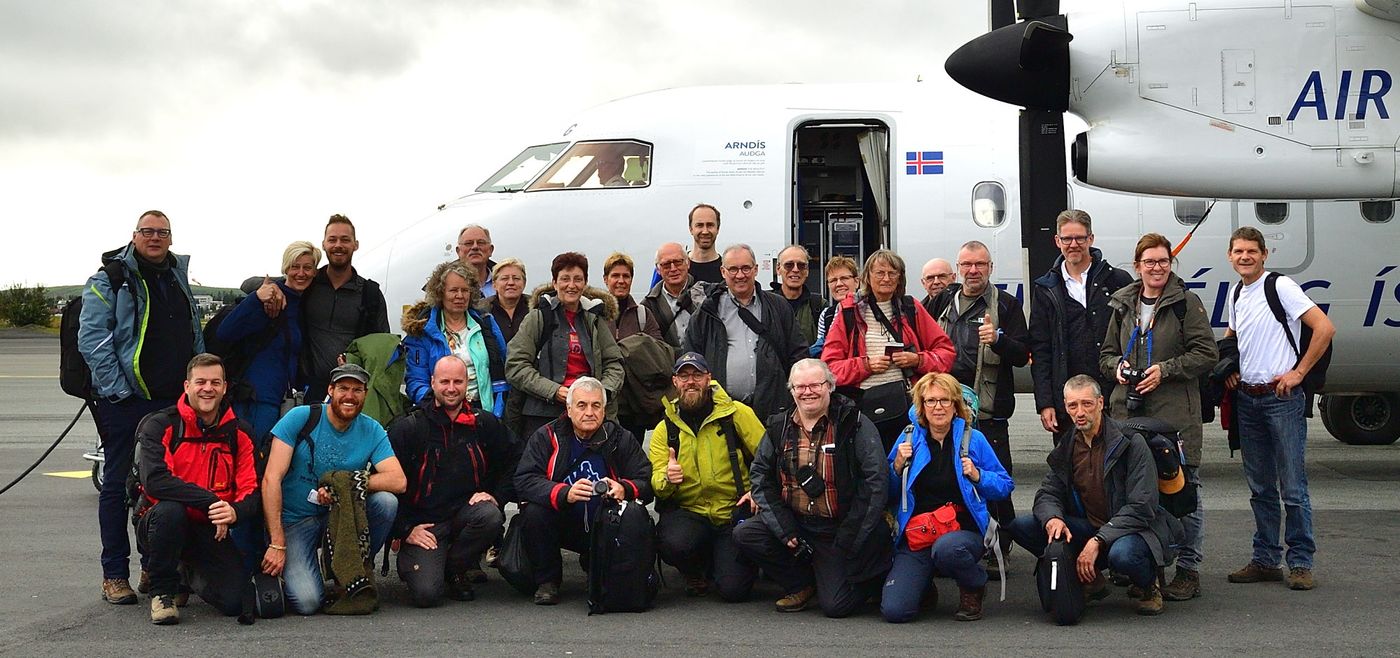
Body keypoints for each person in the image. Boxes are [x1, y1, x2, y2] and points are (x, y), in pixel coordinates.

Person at [78, 209, 204, 604]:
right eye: (147, 231)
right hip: (126, 402)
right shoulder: (110, 280)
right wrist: (119, 392)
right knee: (117, 487)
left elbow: (193, 332)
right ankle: (114, 574)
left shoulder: (176, 276)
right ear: (134, 236)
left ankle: (156, 568)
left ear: (170, 238)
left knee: (162, 487)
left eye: (162, 232)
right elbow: (93, 340)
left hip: (173, 402)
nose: (154, 238)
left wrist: (194, 388)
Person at [1099, 233, 1218, 600]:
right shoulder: (1123, 305)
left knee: (1182, 494)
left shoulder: (1186, 304)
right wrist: (1116, 368)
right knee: (1132, 494)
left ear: (1171, 264)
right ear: (1137, 266)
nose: (1157, 268)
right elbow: (1105, 354)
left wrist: (1165, 370)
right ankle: (1146, 569)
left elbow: (1207, 354)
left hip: (1173, 417)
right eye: (1149, 262)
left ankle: (1188, 569)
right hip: (1128, 415)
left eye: (1163, 261)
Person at [1006, 375, 1183, 616]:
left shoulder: (1131, 442)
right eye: (1072, 406)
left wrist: (1098, 541)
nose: (1080, 412)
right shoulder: (1069, 444)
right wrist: (1053, 519)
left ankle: (1147, 585)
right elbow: (1048, 492)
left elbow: (1143, 507)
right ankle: (1093, 580)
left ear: (1101, 403)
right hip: (1090, 525)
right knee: (1023, 526)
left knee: (1124, 555)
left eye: (1087, 404)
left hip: (1135, 530)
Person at [1222, 226, 1335, 591]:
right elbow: (1233, 336)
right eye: (1238, 251)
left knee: (1292, 487)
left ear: (1265, 254)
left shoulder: (1280, 286)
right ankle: (1266, 559)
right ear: (1230, 256)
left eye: (1251, 251)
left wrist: (1299, 372)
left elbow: (1324, 327)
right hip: (1248, 399)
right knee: (1260, 487)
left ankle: (1300, 562)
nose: (1245, 257)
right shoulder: (1237, 292)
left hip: (1281, 399)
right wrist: (1230, 368)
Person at [734, 359, 891, 617]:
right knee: (746, 533)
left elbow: (876, 482)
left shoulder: (855, 424)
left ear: (830, 386)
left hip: (838, 529)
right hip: (796, 524)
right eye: (800, 387)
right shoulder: (778, 426)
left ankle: (867, 581)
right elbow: (760, 476)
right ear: (792, 391)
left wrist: (852, 535)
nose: (808, 392)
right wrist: (783, 527)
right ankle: (801, 584)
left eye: (815, 385)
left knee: (836, 607)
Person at [259, 363, 407, 615]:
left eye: (357, 390)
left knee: (386, 502)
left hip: (340, 517)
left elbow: (398, 481)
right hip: (296, 520)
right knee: (307, 602)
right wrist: (277, 542)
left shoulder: (371, 428)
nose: (349, 396)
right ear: (330, 390)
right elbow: (271, 479)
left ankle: (353, 571)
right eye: (343, 388)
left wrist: (344, 483)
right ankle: (290, 569)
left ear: (365, 394)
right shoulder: (301, 417)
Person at [134, 353, 259, 625]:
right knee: (171, 511)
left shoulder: (241, 433)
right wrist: (211, 501)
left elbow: (252, 490)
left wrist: (234, 511)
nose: (208, 388)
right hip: (160, 522)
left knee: (236, 602)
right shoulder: (161, 424)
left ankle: (187, 573)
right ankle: (163, 592)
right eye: (200, 381)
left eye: (215, 382)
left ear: (225, 387)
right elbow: (156, 481)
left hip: (210, 528)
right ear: (187, 386)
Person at [881, 372, 1013, 623]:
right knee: (895, 611)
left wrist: (978, 475)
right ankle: (923, 586)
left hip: (963, 531)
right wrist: (896, 467)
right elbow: (886, 492)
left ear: (956, 405)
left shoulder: (973, 439)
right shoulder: (908, 439)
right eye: (930, 401)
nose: (938, 407)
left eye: (945, 400)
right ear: (921, 405)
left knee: (947, 549)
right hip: (919, 531)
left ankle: (974, 584)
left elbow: (1005, 486)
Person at [929, 241, 1030, 568]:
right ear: (958, 269)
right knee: (949, 475)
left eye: (980, 265)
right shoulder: (941, 301)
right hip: (946, 408)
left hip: (988, 411)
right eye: (967, 265)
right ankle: (959, 539)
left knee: (994, 477)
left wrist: (999, 340)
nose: (974, 271)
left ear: (990, 268)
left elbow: (1022, 355)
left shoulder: (1008, 306)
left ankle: (1002, 544)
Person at [389, 356, 519, 606]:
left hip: (465, 516)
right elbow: (386, 483)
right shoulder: (409, 428)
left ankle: (455, 568)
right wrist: (404, 529)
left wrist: (497, 496)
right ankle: (426, 565)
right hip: (424, 525)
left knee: (490, 515)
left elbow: (517, 458)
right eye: (444, 381)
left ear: (467, 383)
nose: (451, 388)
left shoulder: (484, 423)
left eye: (458, 381)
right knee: (426, 595)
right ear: (432, 383)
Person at [513, 377, 653, 605]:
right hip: (562, 520)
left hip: (606, 523)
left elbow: (647, 481)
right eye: (582, 405)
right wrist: (563, 492)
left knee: (631, 516)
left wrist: (624, 488)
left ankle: (598, 568)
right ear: (568, 409)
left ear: (604, 409)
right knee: (534, 512)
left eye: (596, 405)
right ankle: (547, 580)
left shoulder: (621, 438)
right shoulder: (546, 436)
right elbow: (524, 480)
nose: (589, 412)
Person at [649, 352, 764, 600]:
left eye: (697, 375)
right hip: (690, 513)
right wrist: (668, 477)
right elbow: (657, 486)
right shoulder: (664, 428)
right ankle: (694, 570)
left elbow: (770, 458)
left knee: (733, 591)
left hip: (732, 512)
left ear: (709, 378)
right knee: (672, 543)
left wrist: (758, 490)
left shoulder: (737, 414)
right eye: (684, 375)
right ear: (675, 382)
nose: (691, 381)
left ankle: (727, 562)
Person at [821, 249, 956, 449]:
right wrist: (866, 365)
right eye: (880, 273)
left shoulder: (912, 308)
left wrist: (917, 360)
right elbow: (829, 369)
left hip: (908, 408)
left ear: (900, 278)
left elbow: (946, 353)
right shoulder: (849, 312)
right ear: (867, 276)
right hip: (862, 412)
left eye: (893, 273)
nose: (886, 278)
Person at [1028, 209, 1134, 443]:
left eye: (1080, 238)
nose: (1073, 244)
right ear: (1058, 241)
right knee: (1072, 471)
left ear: (1091, 239)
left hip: (1112, 396)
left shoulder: (1119, 281)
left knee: (1115, 468)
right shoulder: (1045, 289)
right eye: (1067, 238)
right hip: (1068, 403)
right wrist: (1045, 403)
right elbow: (1041, 350)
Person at [506, 252, 626, 439]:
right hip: (543, 417)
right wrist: (554, 391)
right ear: (554, 283)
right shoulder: (537, 318)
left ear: (585, 283)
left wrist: (601, 394)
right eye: (565, 279)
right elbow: (516, 366)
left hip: (590, 416)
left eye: (578, 279)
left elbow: (615, 363)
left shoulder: (594, 320)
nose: (571, 285)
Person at [684, 243, 808, 419]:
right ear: (723, 272)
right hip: (722, 412)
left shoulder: (779, 307)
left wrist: (790, 396)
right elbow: (692, 357)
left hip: (772, 412)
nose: (740, 275)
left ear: (756, 269)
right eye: (733, 269)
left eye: (745, 268)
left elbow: (798, 354)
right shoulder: (707, 312)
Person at [216, 241, 320, 440]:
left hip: (282, 400)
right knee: (251, 460)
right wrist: (256, 298)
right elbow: (225, 332)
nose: (300, 273)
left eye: (307, 268)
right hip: (254, 400)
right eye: (294, 266)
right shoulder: (269, 300)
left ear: (315, 272)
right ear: (285, 268)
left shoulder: (301, 304)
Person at [402, 260, 509, 417]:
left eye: (465, 290)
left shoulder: (485, 323)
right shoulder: (422, 331)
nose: (460, 296)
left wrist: (497, 413)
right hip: (438, 414)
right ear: (440, 293)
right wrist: (437, 406)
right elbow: (416, 381)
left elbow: (502, 365)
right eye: (453, 290)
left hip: (484, 413)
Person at [300, 214, 390, 399]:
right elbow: (265, 285)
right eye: (332, 240)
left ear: (355, 245)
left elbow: (382, 351)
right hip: (306, 390)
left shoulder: (370, 294)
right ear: (323, 244)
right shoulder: (306, 285)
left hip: (351, 394)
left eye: (345, 240)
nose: (338, 245)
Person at [641, 242, 706, 348]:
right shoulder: (648, 306)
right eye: (666, 265)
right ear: (658, 269)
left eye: (678, 262)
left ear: (688, 263)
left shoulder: (705, 293)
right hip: (668, 363)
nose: (673, 269)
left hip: (704, 362)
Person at [603, 251, 665, 342]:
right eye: (615, 276)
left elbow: (659, 350)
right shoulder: (595, 314)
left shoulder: (643, 315)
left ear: (631, 279)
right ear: (605, 279)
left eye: (626, 276)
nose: (621, 281)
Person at [770, 244, 825, 345]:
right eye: (789, 265)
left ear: (807, 270)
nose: (795, 270)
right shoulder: (766, 303)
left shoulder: (819, 305)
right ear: (778, 269)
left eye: (801, 265)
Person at [809, 255, 859, 357]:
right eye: (833, 280)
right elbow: (821, 350)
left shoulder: (869, 310)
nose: (839, 284)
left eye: (844, 278)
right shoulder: (827, 315)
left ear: (857, 281)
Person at [482, 258, 528, 343]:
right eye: (504, 278)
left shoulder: (536, 307)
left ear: (524, 283)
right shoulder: (481, 311)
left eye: (516, 278)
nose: (511, 283)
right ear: (494, 284)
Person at [456, 224, 498, 298]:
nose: (475, 247)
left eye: (481, 243)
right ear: (458, 251)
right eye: (468, 243)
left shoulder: (507, 282)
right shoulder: (443, 285)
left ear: (490, 250)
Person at [687, 203, 724, 284]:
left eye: (710, 225)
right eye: (699, 225)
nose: (705, 231)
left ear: (718, 229)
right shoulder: (675, 269)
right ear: (690, 229)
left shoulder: (729, 270)